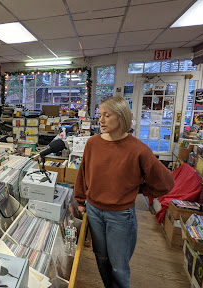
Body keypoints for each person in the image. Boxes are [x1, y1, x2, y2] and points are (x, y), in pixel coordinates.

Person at [74, 96, 174, 288]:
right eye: (100, 115)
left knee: (119, 266)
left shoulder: (138, 150)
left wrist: (139, 189)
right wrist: (80, 200)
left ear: (121, 117)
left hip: (120, 216)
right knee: (101, 258)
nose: (101, 120)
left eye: (107, 115)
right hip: (94, 211)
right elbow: (83, 173)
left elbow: (165, 182)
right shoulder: (93, 143)